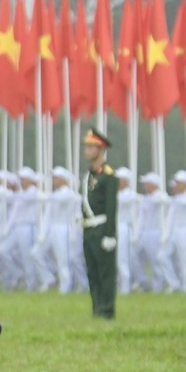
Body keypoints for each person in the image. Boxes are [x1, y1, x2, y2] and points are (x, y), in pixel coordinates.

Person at [76, 129, 118, 318]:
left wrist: (110, 234)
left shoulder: (109, 176)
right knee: (92, 271)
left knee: (105, 272)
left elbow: (111, 208)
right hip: (88, 228)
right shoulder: (88, 175)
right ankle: (96, 308)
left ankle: (107, 310)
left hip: (102, 228)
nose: (87, 150)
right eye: (86, 146)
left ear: (100, 149)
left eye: (91, 147)